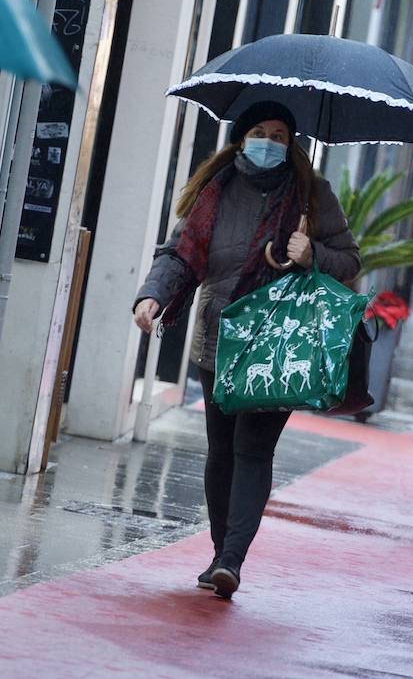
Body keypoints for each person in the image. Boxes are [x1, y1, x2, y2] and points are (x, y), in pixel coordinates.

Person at [132, 101, 359, 600]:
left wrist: (311, 254)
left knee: (252, 449)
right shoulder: (215, 190)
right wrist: (153, 295)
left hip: (277, 344)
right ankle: (220, 553)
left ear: (292, 143)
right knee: (221, 453)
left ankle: (231, 559)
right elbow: (181, 254)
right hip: (218, 338)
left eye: (281, 134)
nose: (270, 141)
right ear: (241, 138)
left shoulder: (312, 195)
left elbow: (349, 260)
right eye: (260, 132)